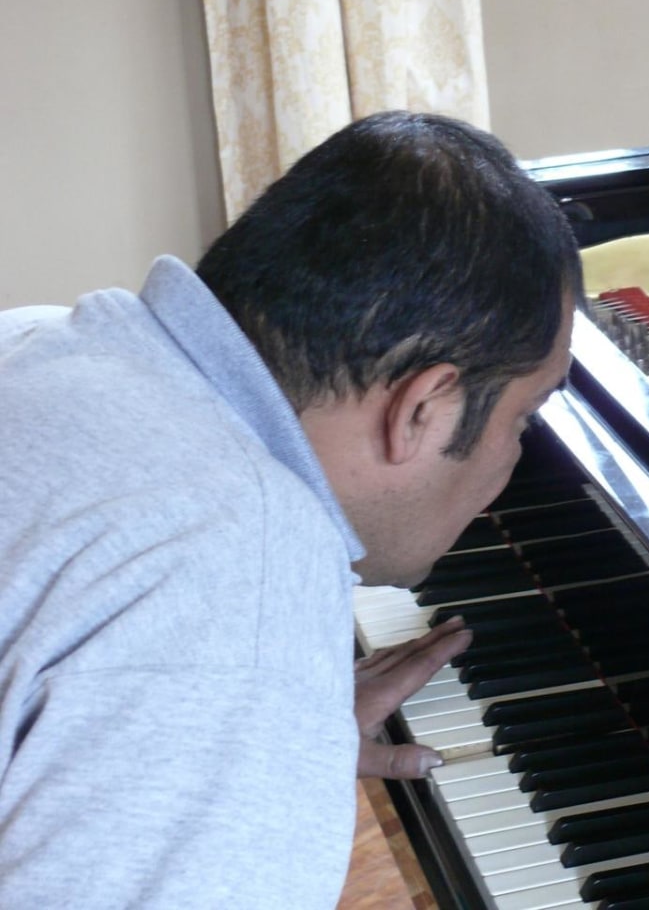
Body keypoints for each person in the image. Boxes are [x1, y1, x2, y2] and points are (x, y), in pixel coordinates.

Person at [0, 111, 581, 907]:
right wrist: (243, 715)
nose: (514, 457)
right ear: (422, 410)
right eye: (526, 415)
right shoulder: (239, 587)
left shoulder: (36, 343)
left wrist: (219, 740)